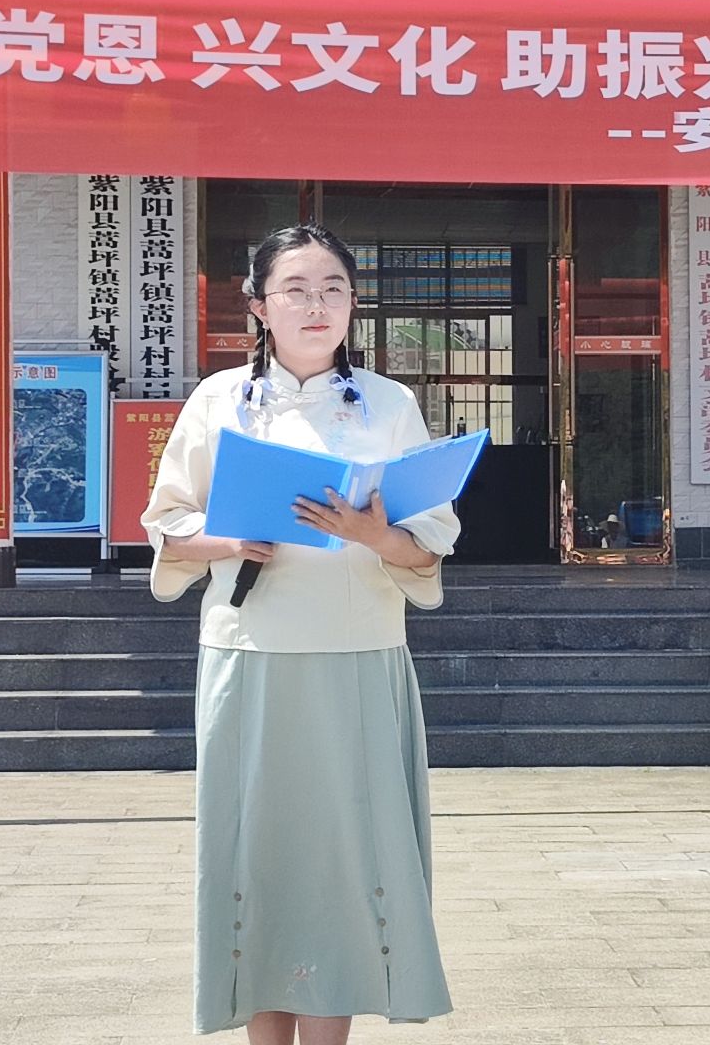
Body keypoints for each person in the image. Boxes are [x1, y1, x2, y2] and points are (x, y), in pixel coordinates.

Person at [141, 224, 456, 1043]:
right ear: (258, 306)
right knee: (259, 861)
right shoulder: (218, 401)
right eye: (295, 290)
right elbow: (167, 524)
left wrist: (373, 535)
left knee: (342, 869)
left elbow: (428, 544)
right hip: (250, 656)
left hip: (358, 656)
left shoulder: (389, 404)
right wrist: (227, 539)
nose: (316, 306)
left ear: (354, 303)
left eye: (333, 289)